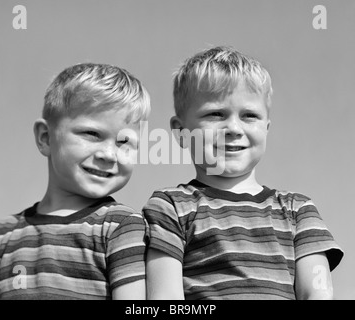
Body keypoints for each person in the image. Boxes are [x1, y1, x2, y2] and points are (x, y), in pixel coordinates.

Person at [143, 46, 344, 300]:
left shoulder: (298, 211)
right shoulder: (170, 207)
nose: (234, 128)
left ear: (267, 128)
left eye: (249, 116)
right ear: (181, 131)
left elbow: (317, 293)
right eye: (216, 114)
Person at [0, 63, 151, 300]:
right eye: (92, 134)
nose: (108, 154)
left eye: (124, 142)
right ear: (45, 138)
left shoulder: (121, 228)